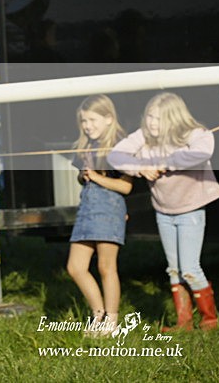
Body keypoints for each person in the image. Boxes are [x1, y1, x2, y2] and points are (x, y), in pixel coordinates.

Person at [108, 92, 219, 331]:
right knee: (173, 269)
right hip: (164, 211)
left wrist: (166, 163)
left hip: (190, 210)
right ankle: (184, 322)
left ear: (174, 119)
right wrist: (141, 167)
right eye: (149, 116)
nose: (152, 123)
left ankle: (209, 319)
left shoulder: (193, 134)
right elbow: (115, 155)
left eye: (159, 119)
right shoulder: (145, 138)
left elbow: (202, 151)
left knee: (190, 267)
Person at [64, 95, 132, 336]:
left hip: (109, 211)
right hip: (87, 210)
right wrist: (83, 176)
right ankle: (98, 314)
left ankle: (111, 322)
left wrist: (95, 176)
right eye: (83, 121)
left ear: (109, 119)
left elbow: (126, 187)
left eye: (92, 120)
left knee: (106, 267)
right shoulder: (86, 146)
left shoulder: (121, 146)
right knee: (75, 267)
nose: (87, 126)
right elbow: (83, 176)